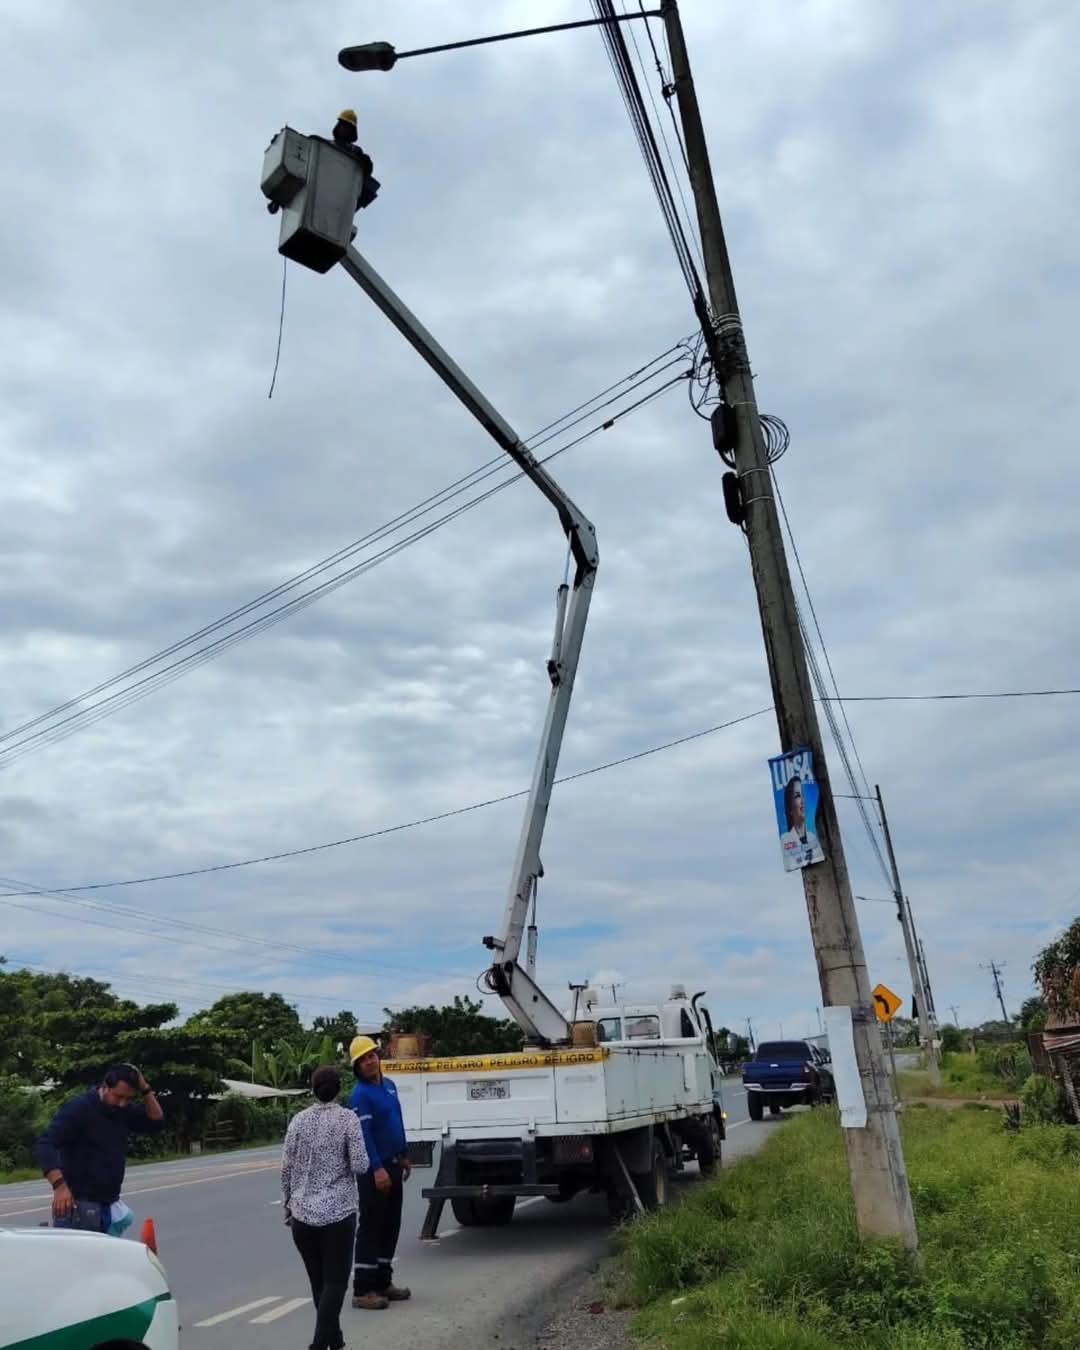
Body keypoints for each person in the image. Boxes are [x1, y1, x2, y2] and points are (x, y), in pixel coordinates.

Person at [282, 1065, 370, 1350]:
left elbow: (286, 1169)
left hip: (302, 1216)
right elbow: (360, 1165)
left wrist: (288, 1204)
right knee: (336, 1284)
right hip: (338, 1214)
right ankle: (319, 1345)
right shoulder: (348, 1119)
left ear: (312, 1089)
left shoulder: (298, 1120)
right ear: (339, 1089)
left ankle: (336, 1340)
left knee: (319, 1283)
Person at [33, 1063, 165, 1233]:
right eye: (118, 1096)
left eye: (128, 1098)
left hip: (108, 1205)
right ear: (105, 1086)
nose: (122, 1103)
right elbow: (45, 1144)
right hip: (78, 1207)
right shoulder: (79, 1108)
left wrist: (145, 1088)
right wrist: (59, 1186)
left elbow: (156, 1122)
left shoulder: (122, 1110)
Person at [348, 1035, 411, 1310]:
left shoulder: (390, 1086)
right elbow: (364, 1136)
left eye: (371, 1055)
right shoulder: (359, 1096)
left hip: (394, 1163)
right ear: (357, 1067)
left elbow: (397, 1120)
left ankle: (383, 1281)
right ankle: (363, 1289)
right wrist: (377, 1168)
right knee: (372, 1226)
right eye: (363, 1060)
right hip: (375, 1170)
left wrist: (404, 1154)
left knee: (391, 1224)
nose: (369, 1062)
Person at [331, 108, 380, 210]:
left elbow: (367, 169)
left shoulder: (356, 151)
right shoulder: (327, 146)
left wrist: (363, 159)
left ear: (352, 131)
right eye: (343, 125)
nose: (344, 129)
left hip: (344, 189)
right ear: (338, 126)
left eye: (348, 127)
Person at [779, 775, 823, 867]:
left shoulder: (812, 836)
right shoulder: (785, 839)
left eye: (802, 795)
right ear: (790, 806)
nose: (802, 800)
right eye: (798, 796)